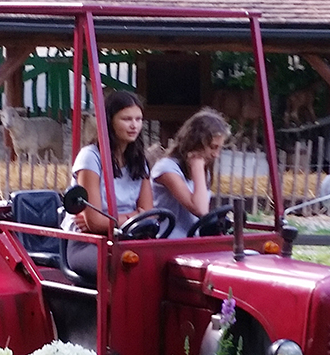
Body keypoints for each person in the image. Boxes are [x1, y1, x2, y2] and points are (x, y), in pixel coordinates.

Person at [63, 88, 153, 280]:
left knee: (161, 264)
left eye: (138, 119)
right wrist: (135, 216)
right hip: (87, 244)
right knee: (125, 266)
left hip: (128, 239)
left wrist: (116, 220)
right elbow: (94, 222)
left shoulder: (139, 161)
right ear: (109, 121)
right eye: (126, 119)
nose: (134, 125)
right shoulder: (90, 157)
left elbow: (149, 214)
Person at [151, 108, 229, 238]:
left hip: (192, 241)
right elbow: (200, 210)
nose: (216, 155)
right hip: (167, 242)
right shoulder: (166, 169)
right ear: (196, 143)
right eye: (213, 147)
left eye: (219, 148)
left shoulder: (202, 171)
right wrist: (197, 165)